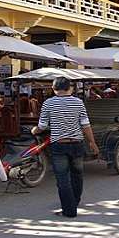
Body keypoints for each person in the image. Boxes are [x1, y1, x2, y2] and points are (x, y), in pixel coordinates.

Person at [31, 77, 100, 218]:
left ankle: (69, 211)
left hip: (59, 145)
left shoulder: (48, 103)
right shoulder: (78, 102)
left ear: (53, 88)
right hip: (77, 144)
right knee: (77, 175)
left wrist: (34, 130)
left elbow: (42, 126)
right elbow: (86, 125)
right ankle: (74, 201)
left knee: (62, 179)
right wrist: (92, 142)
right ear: (70, 88)